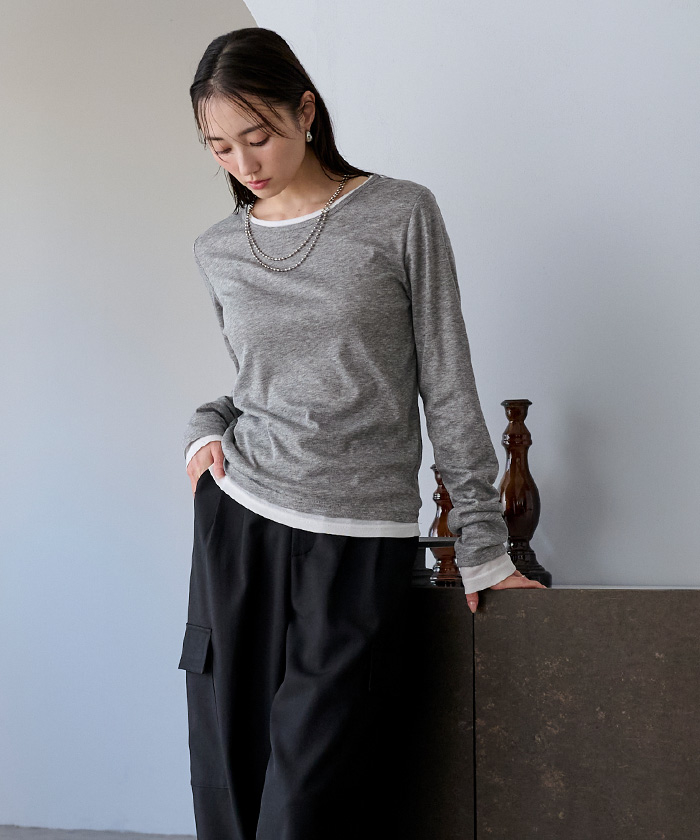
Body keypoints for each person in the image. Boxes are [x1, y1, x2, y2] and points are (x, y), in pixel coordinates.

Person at [177, 26, 546, 840]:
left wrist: (484, 545)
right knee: (230, 790)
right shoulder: (218, 249)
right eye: (220, 147)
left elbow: (447, 379)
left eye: (258, 136)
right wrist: (204, 432)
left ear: (305, 111)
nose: (243, 163)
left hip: (357, 536)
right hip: (240, 524)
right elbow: (260, 386)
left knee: (308, 801)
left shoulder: (399, 212)